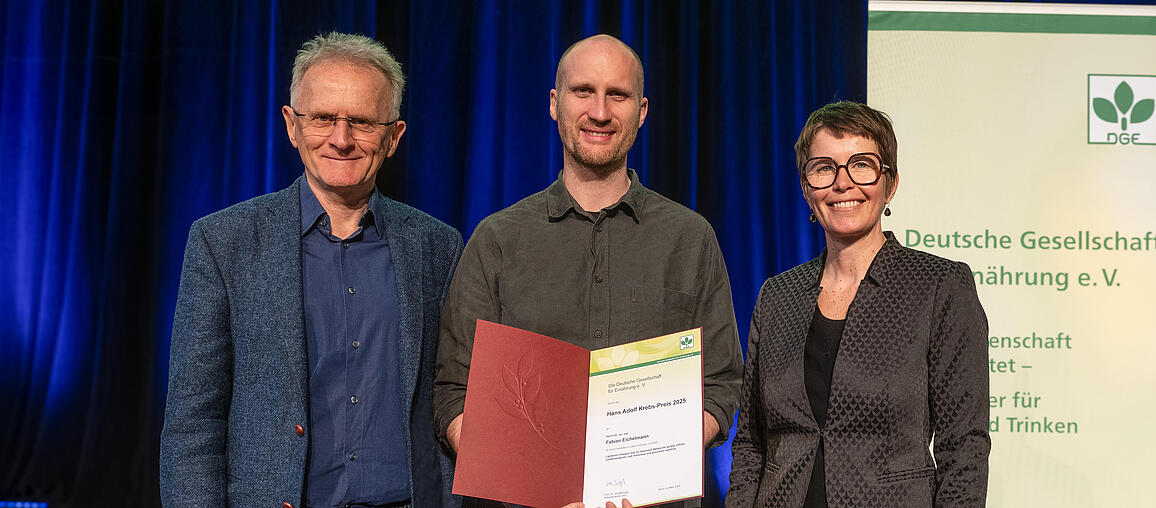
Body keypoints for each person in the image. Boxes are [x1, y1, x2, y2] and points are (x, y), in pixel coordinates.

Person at [433, 34, 744, 507]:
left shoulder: (690, 238)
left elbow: (721, 385)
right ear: (555, 104)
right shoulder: (497, 240)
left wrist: (643, 476)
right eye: (583, 91)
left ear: (641, 111)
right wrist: (526, 482)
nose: (600, 112)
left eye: (616, 95)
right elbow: (455, 392)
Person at [160, 32, 463, 508]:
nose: (341, 140)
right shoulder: (224, 243)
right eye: (323, 118)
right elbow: (193, 423)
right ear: (292, 125)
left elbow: (451, 398)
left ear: (393, 137)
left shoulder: (437, 247)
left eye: (361, 122)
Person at [727, 101, 990, 506]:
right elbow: (750, 443)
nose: (842, 183)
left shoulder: (939, 286)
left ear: (891, 182)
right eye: (824, 168)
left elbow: (964, 448)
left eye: (862, 164)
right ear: (806, 186)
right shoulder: (777, 296)